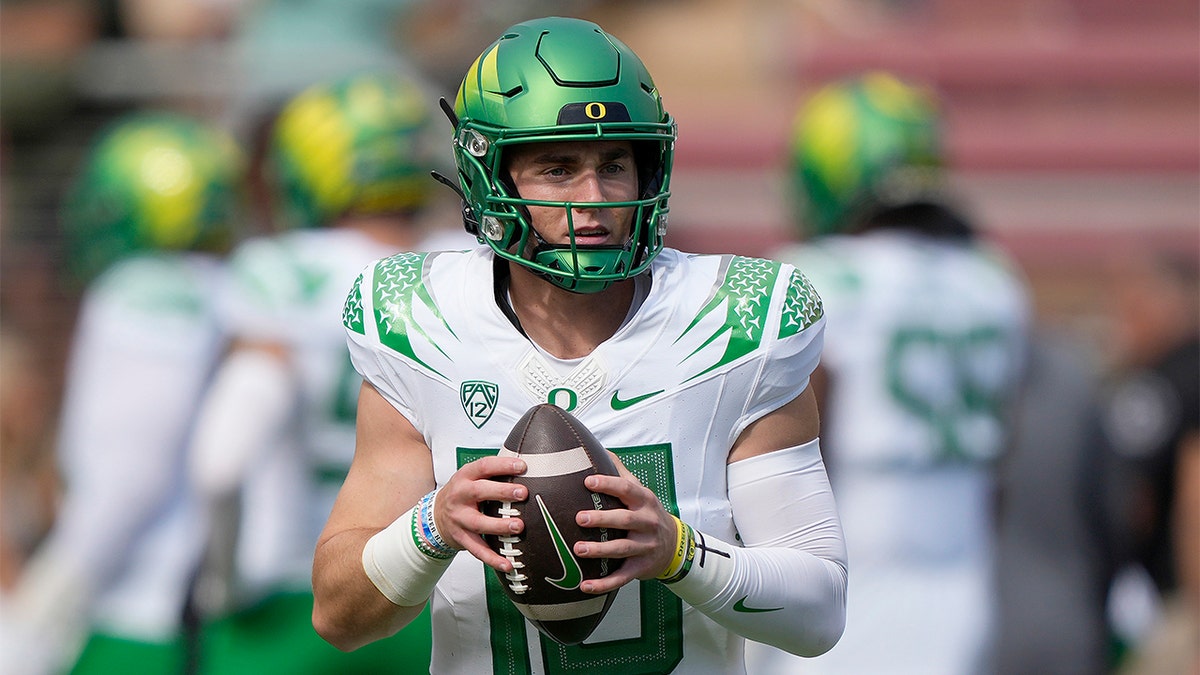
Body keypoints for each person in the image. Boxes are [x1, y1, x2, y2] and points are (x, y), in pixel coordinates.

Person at [310, 16, 848, 674]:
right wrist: (431, 527)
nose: (593, 200)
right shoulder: (424, 322)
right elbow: (337, 616)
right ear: (490, 174)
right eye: (558, 168)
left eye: (614, 164)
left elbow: (820, 613)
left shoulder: (735, 320)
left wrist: (681, 552)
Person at [186, 70, 472, 674]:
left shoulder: (281, 271)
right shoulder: (465, 268)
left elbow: (224, 454)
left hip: (296, 595)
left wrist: (221, 581)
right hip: (434, 589)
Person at [745, 72, 1031, 675]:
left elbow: (786, 451)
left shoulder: (816, 277)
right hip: (964, 581)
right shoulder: (993, 280)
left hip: (848, 577)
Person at [0, 111, 245, 675]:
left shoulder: (140, 293)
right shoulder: (232, 285)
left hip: (139, 611)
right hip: (207, 603)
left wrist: (42, 609)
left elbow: (128, 481)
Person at [1099, 250, 1199, 675]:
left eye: (1132, 308)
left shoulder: (1159, 387)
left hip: (1173, 604)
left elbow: (1130, 500)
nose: (1122, 324)